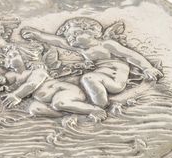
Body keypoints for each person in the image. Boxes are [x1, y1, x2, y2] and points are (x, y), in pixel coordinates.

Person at [20, 17, 162, 108]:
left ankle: (101, 106)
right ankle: (78, 101)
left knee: (88, 78)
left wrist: (147, 68)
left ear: (93, 33)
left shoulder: (107, 44)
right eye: (69, 36)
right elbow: (58, 41)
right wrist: (38, 35)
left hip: (114, 81)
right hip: (100, 79)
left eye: (75, 34)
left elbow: (130, 55)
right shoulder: (82, 49)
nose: (71, 38)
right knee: (77, 80)